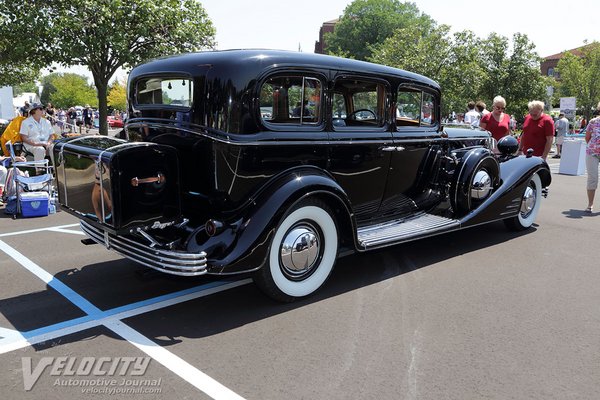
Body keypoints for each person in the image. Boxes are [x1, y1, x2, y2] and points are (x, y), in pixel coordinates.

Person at [584, 103, 600, 213]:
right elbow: (587, 137)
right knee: (592, 178)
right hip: (592, 152)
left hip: (593, 151)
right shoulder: (593, 122)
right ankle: (590, 204)